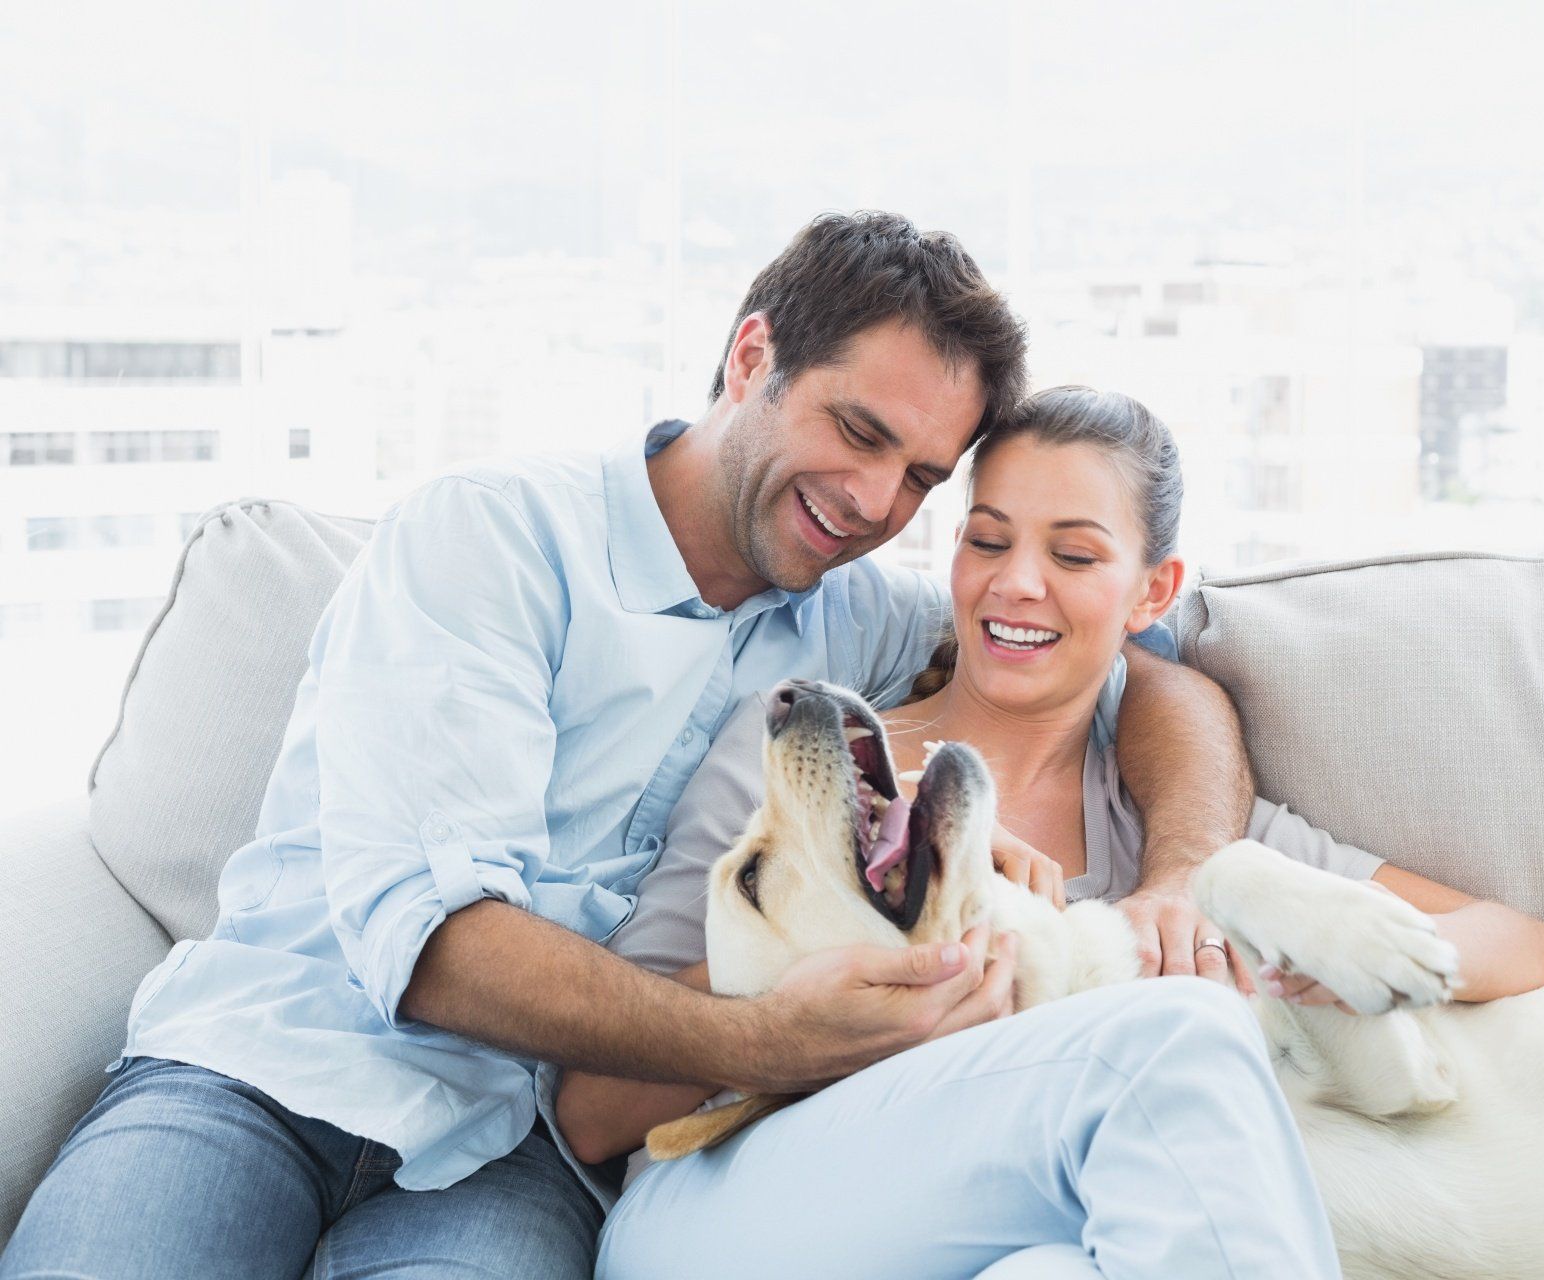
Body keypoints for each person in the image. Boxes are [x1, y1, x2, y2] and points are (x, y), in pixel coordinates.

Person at [0, 217, 1255, 1280]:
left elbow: (1138, 668)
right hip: (269, 1065)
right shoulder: (489, 538)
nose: (879, 505)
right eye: (859, 432)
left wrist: (1182, 870)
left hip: (526, 1149)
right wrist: (769, 1034)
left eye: (922, 474)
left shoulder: (856, 612)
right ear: (750, 356)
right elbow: (434, 946)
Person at [559, 385, 1544, 1279]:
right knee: (1175, 1038)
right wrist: (805, 1004)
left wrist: (1326, 961)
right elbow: (596, 1106)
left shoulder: (1181, 837)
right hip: (723, 1207)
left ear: (1153, 594)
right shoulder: (810, 759)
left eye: (1075, 553)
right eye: (988, 538)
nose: (1017, 583)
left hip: (1003, 1222)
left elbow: (1523, 942)